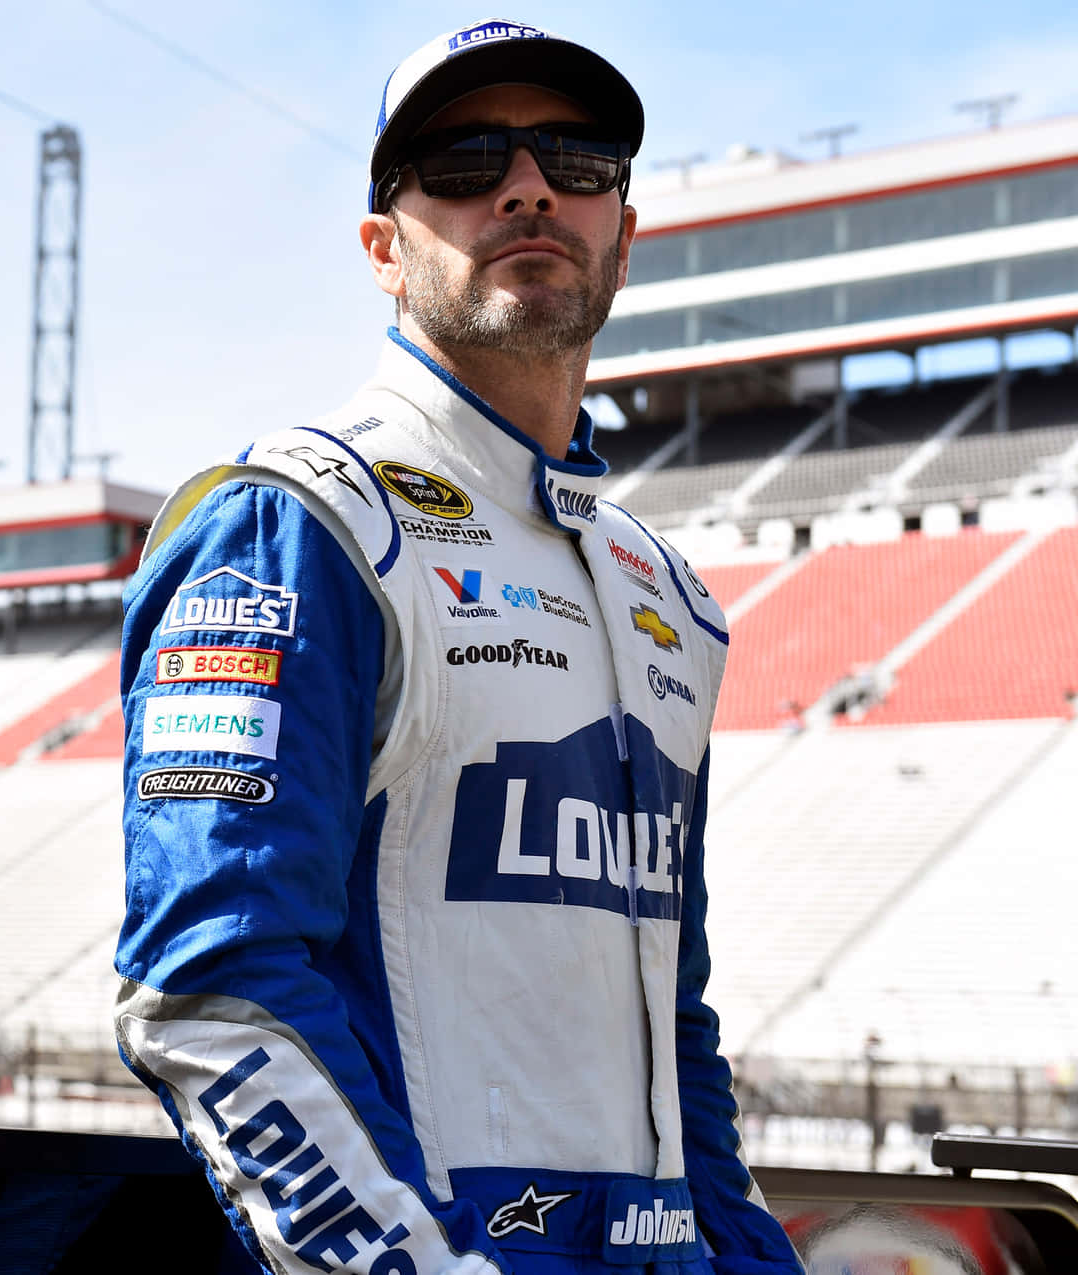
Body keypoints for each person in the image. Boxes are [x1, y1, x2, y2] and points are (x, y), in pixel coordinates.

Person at [112, 19, 805, 1275]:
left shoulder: (673, 596)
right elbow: (211, 988)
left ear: (623, 238)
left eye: (577, 160)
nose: (528, 186)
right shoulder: (298, 521)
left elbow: (675, 1027)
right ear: (383, 249)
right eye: (466, 158)